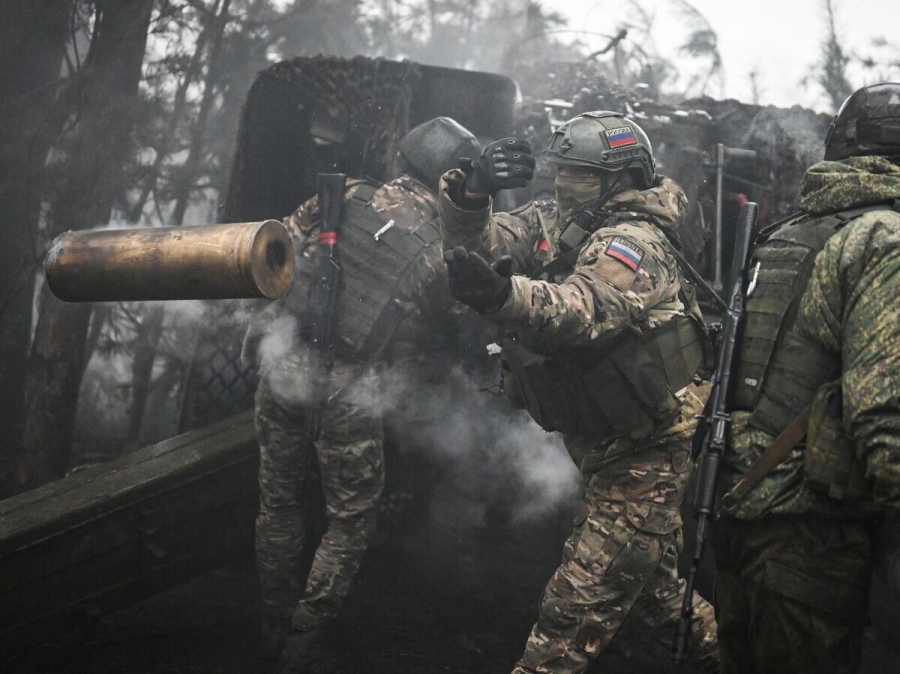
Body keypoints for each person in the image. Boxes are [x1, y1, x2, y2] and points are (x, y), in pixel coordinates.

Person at [438, 110, 718, 674]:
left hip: (647, 453)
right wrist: (472, 191)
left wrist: (504, 297)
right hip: (603, 445)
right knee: (660, 606)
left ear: (618, 179)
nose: (563, 180)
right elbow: (485, 238)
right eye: (562, 168)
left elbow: (587, 309)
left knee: (569, 619)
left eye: (579, 172)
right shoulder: (561, 219)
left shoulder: (636, 242)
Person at [241, 116, 481, 673]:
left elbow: (277, 247)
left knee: (277, 503)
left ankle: (272, 625)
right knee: (349, 521)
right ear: (453, 179)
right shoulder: (435, 244)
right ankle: (303, 644)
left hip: (283, 365)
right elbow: (451, 324)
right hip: (349, 388)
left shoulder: (343, 193)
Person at [709, 82, 900, 674]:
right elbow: (885, 414)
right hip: (812, 534)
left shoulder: (786, 235)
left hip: (737, 516)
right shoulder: (884, 241)